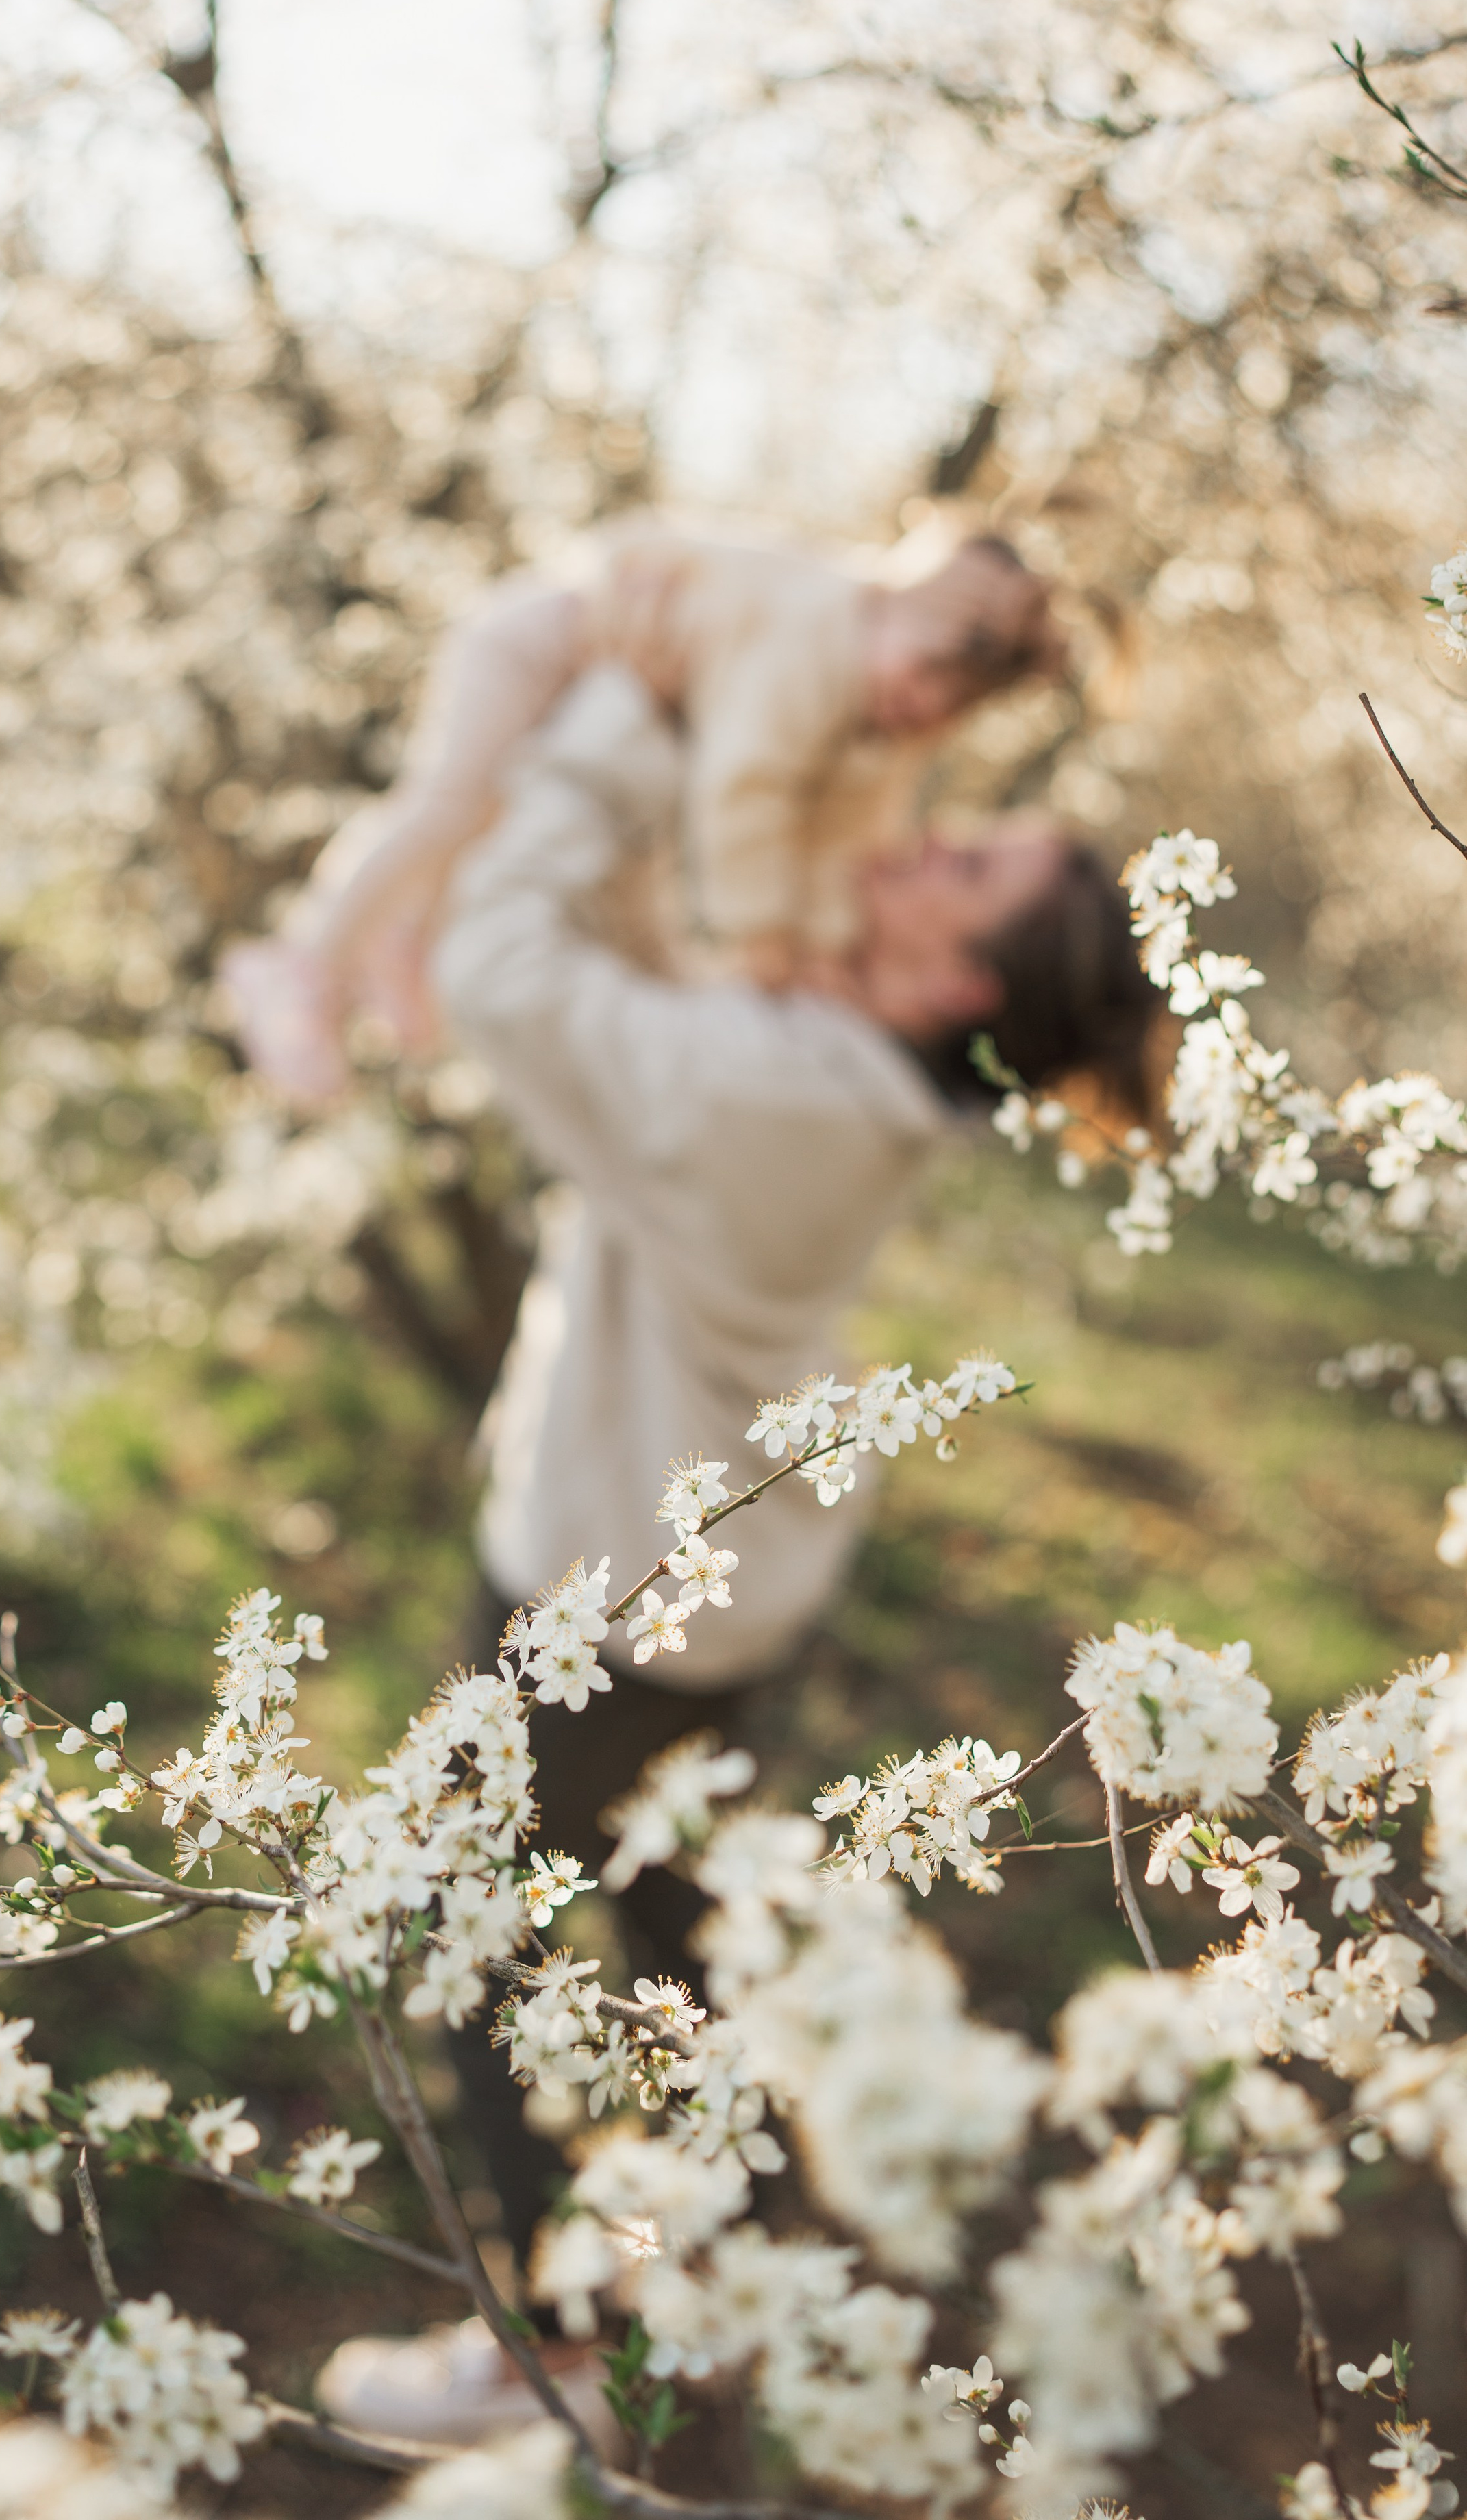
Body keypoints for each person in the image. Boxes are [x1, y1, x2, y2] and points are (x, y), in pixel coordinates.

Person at [314, 662, 1159, 2451]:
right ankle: (714, 2286)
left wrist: (631, 713)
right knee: (688, 1932)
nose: (931, 840)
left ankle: (551, 2359)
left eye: (970, 865)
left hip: (600, 1602)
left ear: (955, 981)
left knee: (484, 1946)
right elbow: (632, 981)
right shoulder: (832, 1070)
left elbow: (508, 977)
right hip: (720, 1586)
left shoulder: (787, 1096)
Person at [222, 519, 1065, 1108]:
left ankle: (402, 943)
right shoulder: (816, 639)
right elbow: (746, 794)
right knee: (449, 803)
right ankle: (307, 963)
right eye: (921, 672)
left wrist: (831, 945)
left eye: (947, 708)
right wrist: (765, 938)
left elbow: (851, 836)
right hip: (547, 638)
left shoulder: (875, 711)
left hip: (593, 680)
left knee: (488, 819)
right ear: (889, 601)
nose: (919, 706)